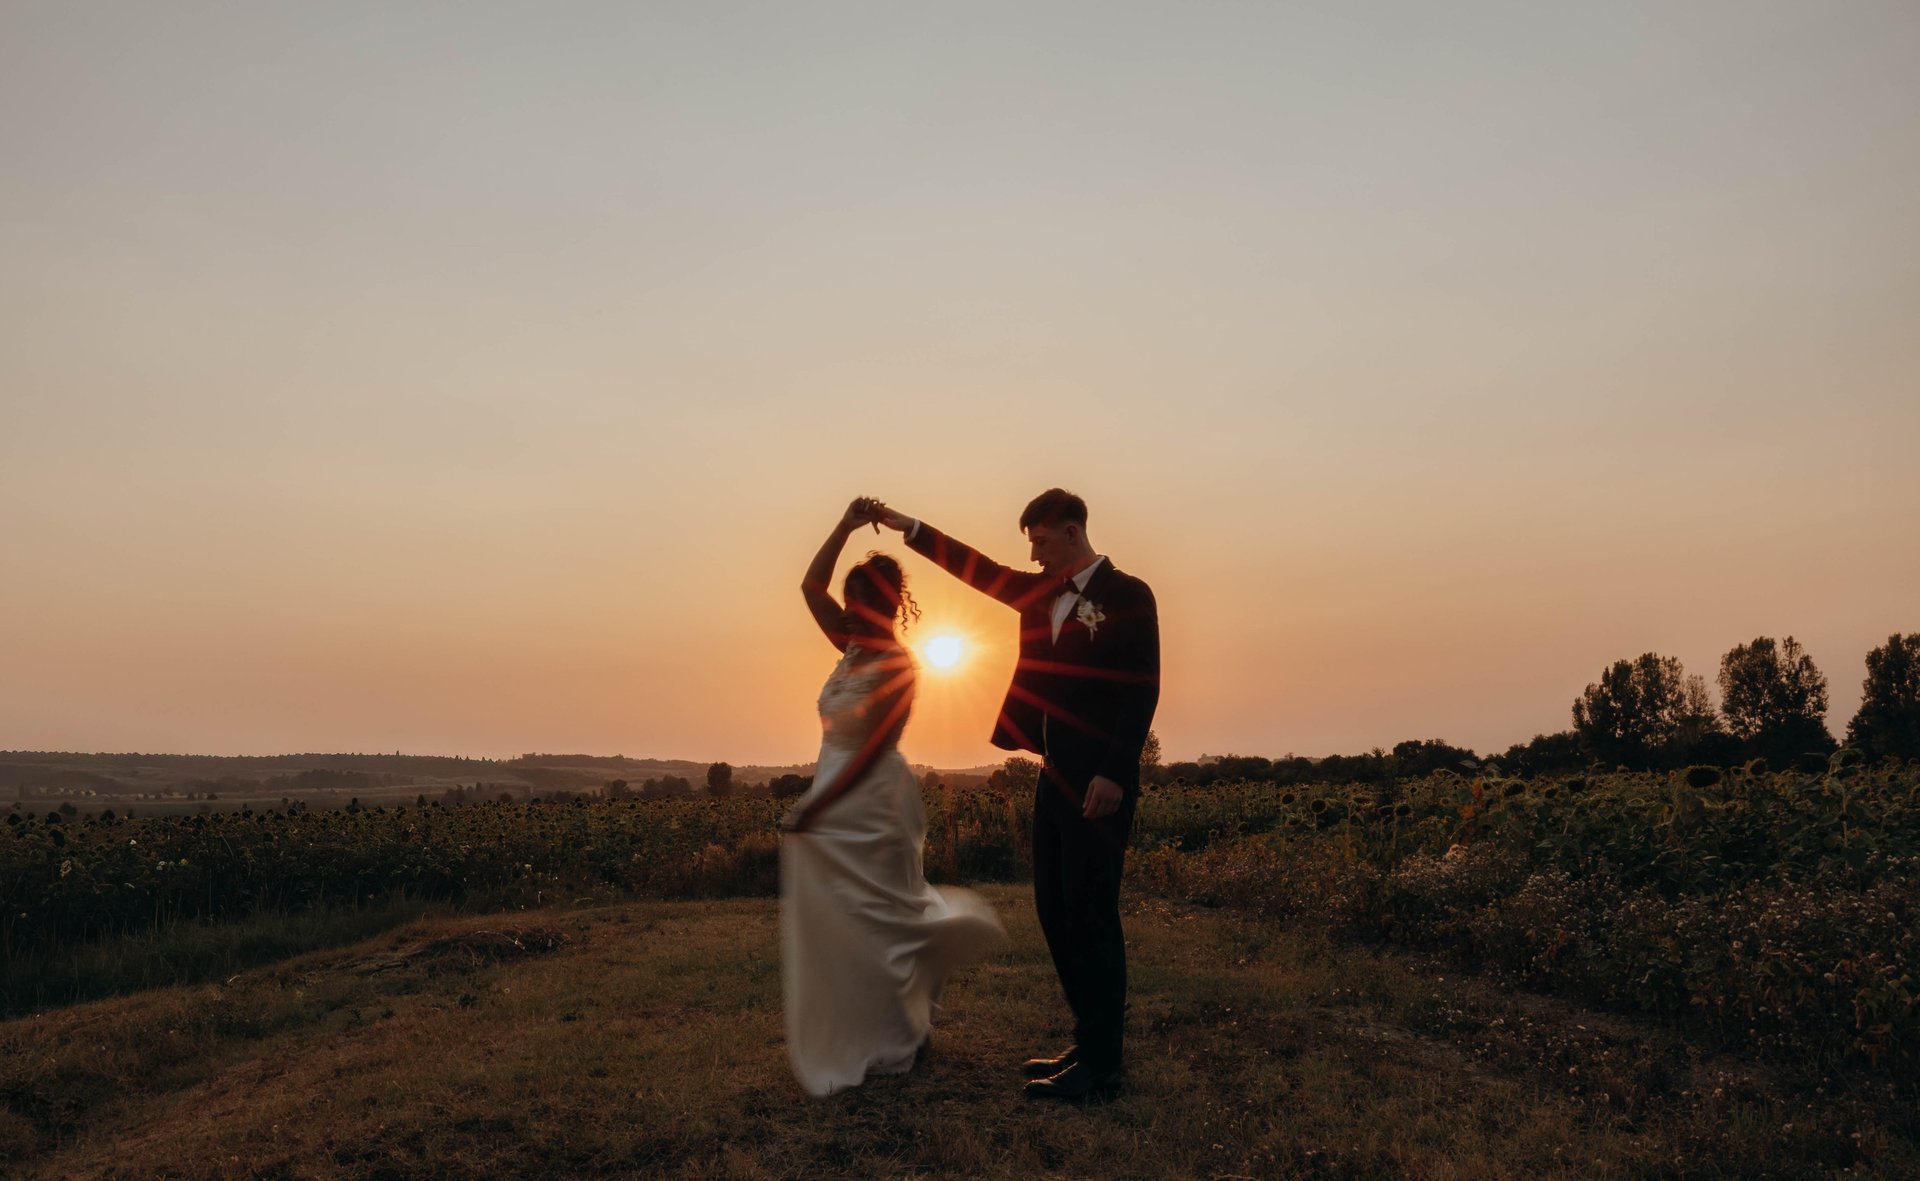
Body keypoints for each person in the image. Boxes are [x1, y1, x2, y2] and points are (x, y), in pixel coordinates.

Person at [873, 488, 1159, 1101]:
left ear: (1073, 531)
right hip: (1053, 775)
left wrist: (1115, 772)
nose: (1031, 554)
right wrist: (911, 527)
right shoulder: (1040, 594)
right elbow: (974, 568)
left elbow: (1142, 688)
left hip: (1099, 782)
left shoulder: (1127, 595)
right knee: (1055, 911)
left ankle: (1105, 1067)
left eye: (1040, 540)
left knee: (1091, 915)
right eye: (1028, 543)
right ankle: (1088, 1043)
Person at [779, 496, 1005, 1098]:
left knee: (880, 923)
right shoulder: (848, 646)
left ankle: (900, 1033)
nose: (850, 613)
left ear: (886, 605)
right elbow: (809, 583)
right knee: (845, 926)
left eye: (861, 603)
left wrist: (816, 808)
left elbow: (875, 748)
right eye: (848, 603)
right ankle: (870, 1026)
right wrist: (846, 525)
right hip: (831, 792)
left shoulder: (901, 668)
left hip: (873, 802)